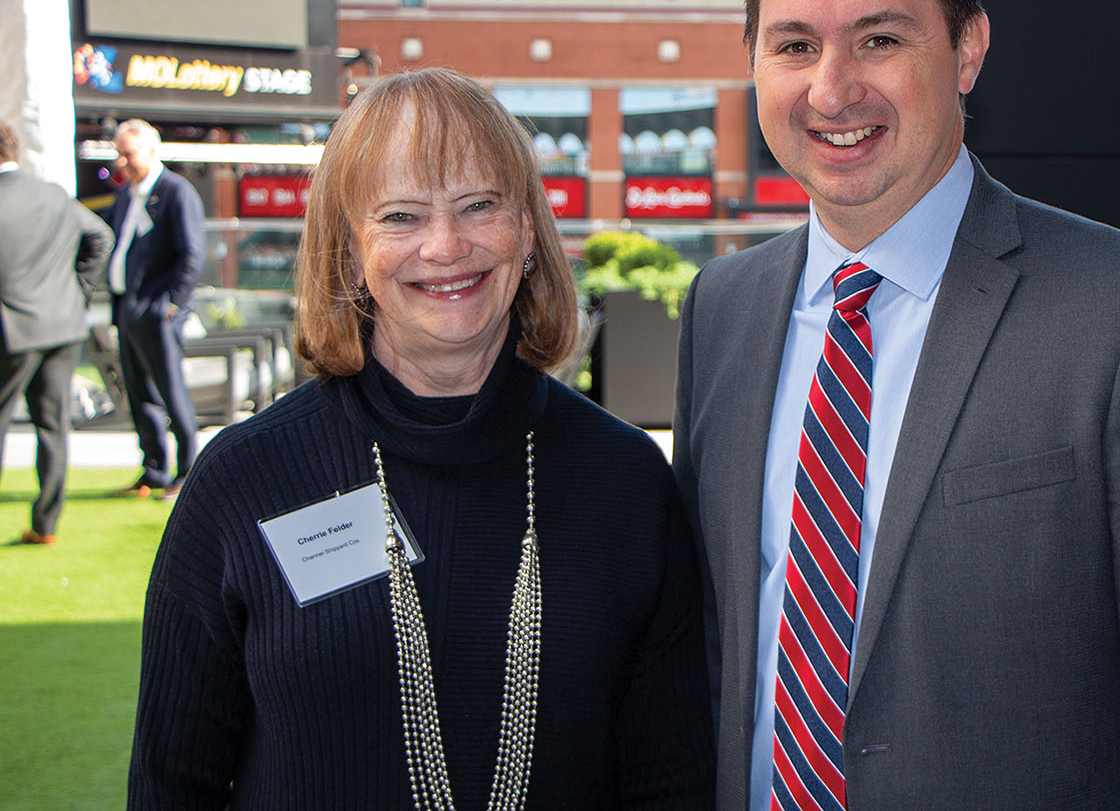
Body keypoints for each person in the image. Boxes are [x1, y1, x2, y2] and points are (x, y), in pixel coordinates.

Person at [672, 0, 1120, 810]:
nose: (832, 88)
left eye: (879, 38)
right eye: (795, 45)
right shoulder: (722, 309)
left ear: (967, 49)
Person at [128, 69, 714, 809]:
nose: (446, 246)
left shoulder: (624, 481)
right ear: (348, 252)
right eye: (401, 216)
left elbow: (673, 782)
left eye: (479, 206)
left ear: (527, 230)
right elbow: (172, 782)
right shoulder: (243, 481)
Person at [0, 120, 114, 545]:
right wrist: (78, 291)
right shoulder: (52, 193)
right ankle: (46, 525)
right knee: (52, 428)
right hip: (62, 328)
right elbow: (100, 236)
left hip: (11, 331)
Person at [104, 118, 205, 499]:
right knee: (139, 392)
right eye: (118, 154)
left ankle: (188, 471)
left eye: (127, 154)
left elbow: (193, 255)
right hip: (128, 310)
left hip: (158, 311)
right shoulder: (126, 195)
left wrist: (172, 305)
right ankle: (154, 469)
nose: (121, 162)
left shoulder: (176, 192)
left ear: (150, 151)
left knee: (171, 392)